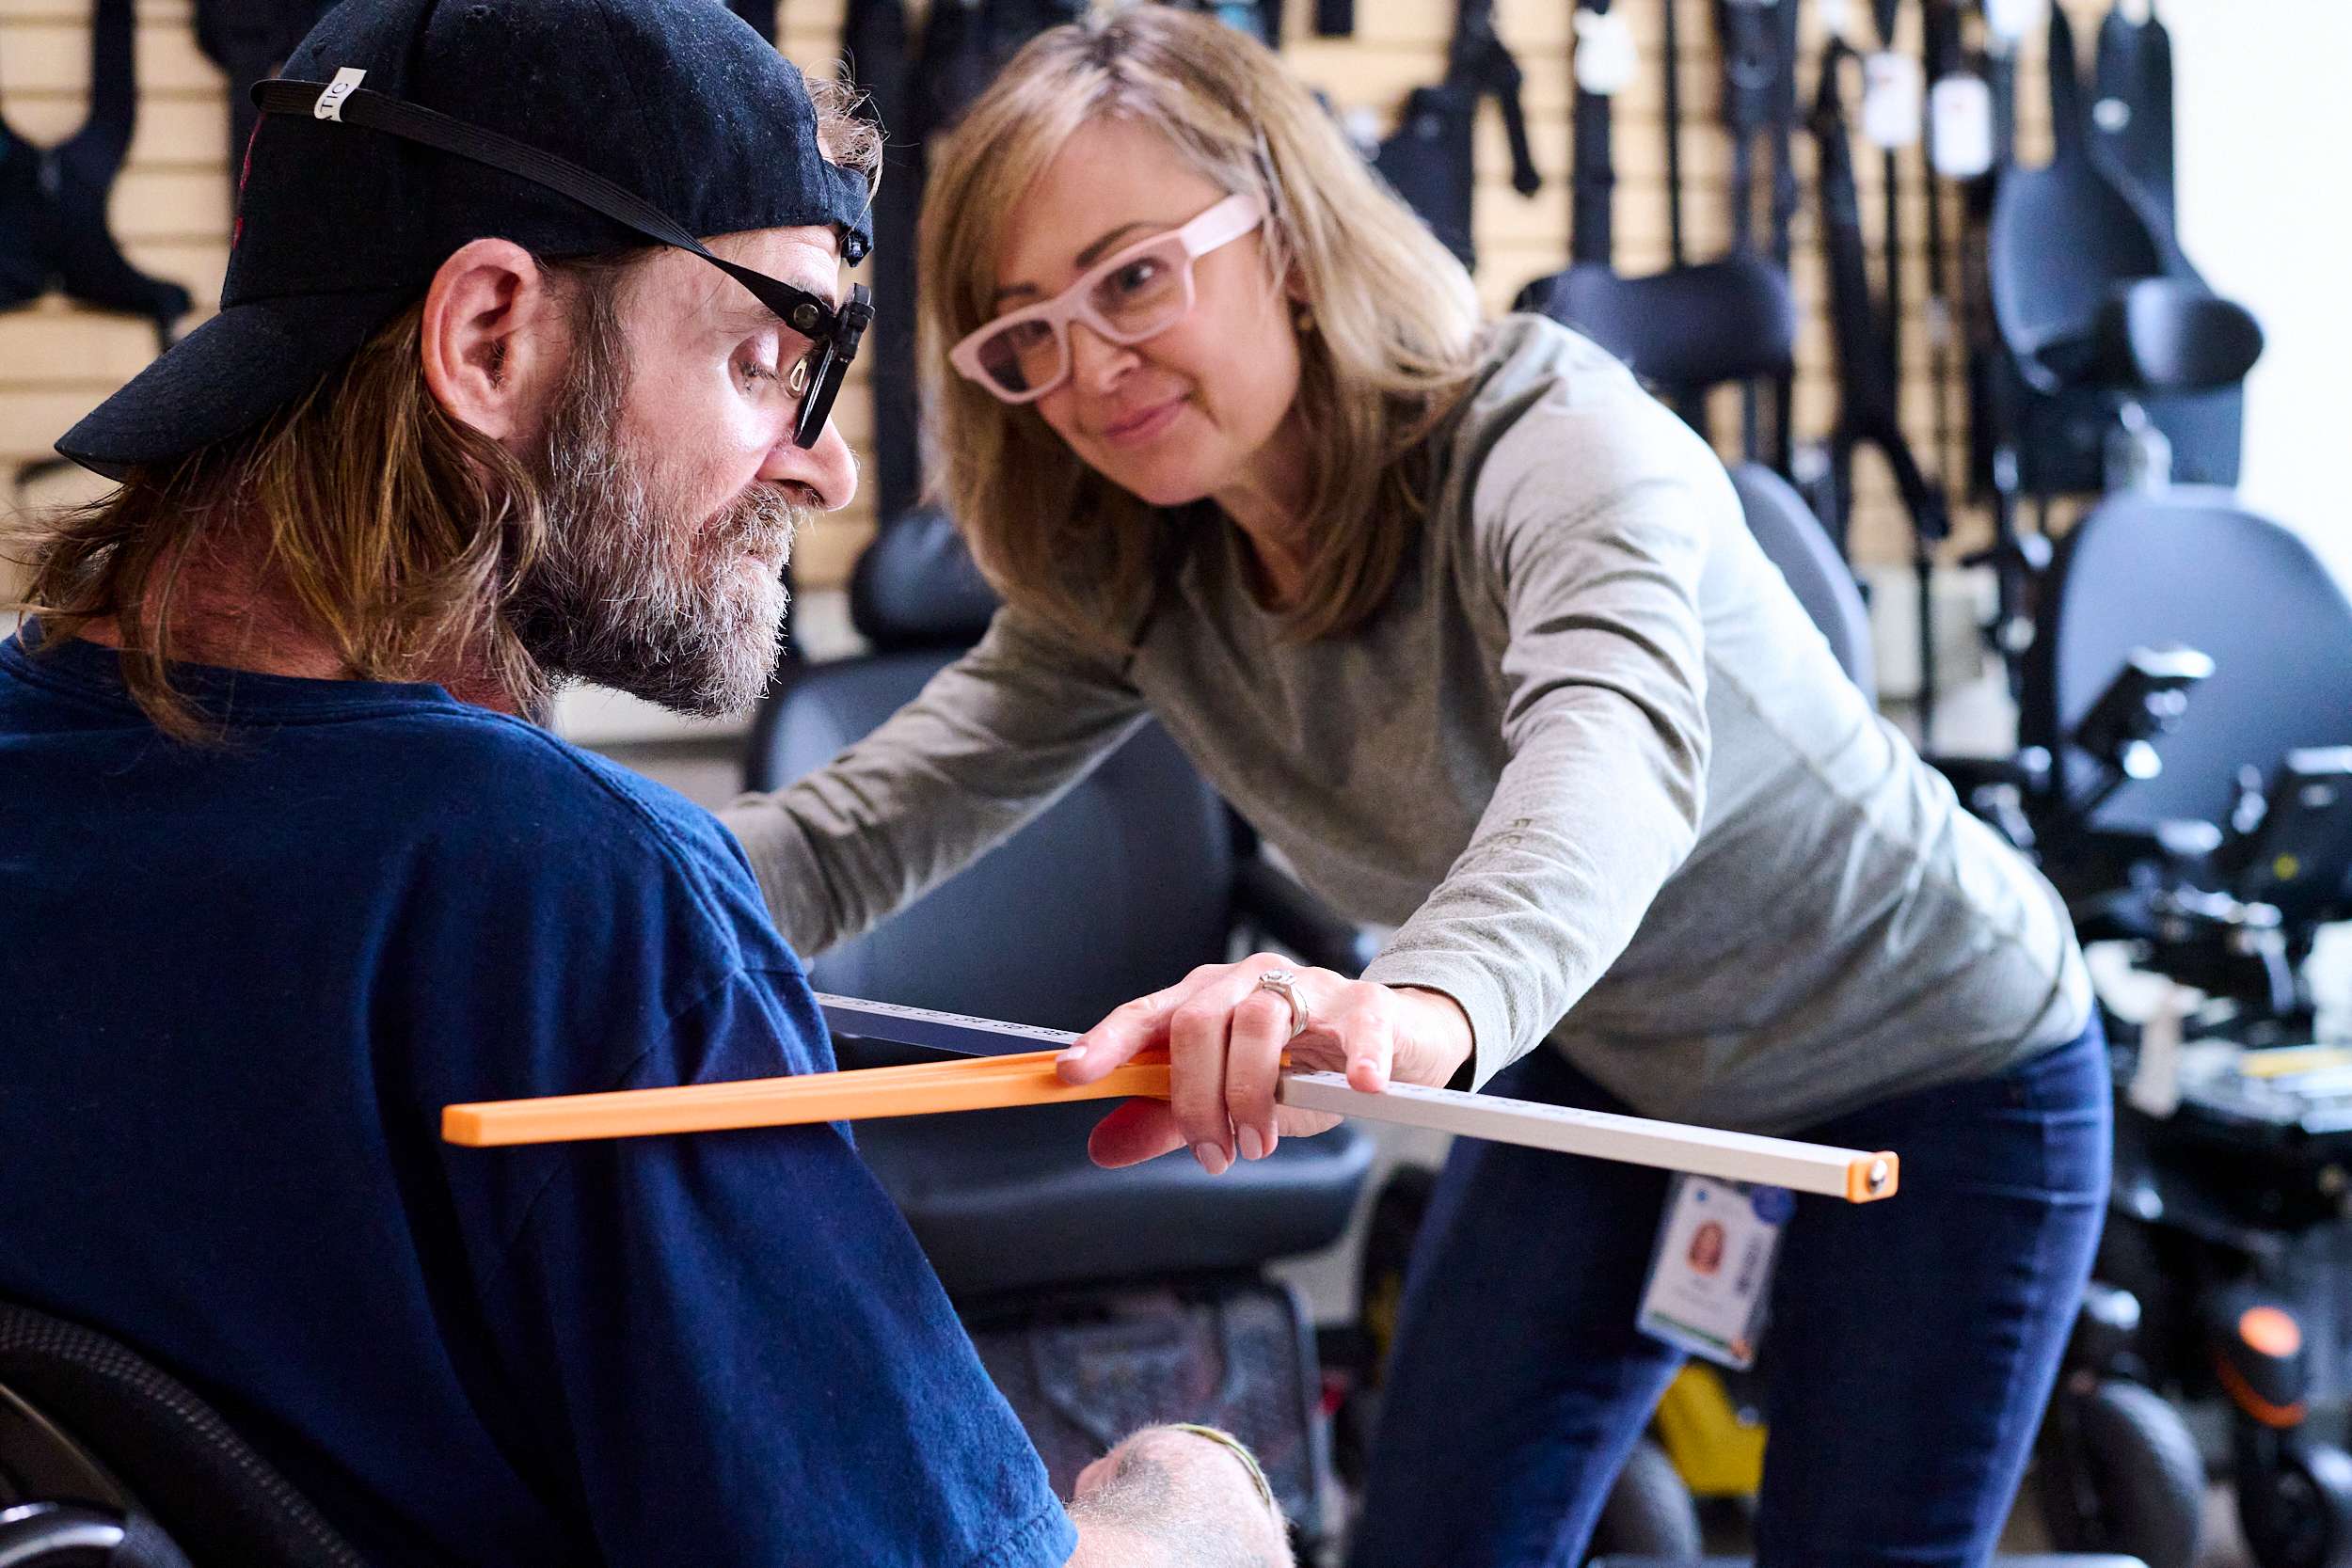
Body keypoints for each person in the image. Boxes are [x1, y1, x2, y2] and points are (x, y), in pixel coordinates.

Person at [720, 9, 2109, 1566]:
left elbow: (1611, 753)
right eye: (1025, 332)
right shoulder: (1134, 565)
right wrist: (565, 878)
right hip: (1615, 1065)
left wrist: (1413, 1006)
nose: (1091, 366)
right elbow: (855, 833)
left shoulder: (1557, 439)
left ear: (1291, 238)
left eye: (1133, 277)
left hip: (1937, 1059)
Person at [0, 3, 1289, 1564]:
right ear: (489, 336)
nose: (828, 467)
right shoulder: (565, 900)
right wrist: (1199, 1498)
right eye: (767, 358)